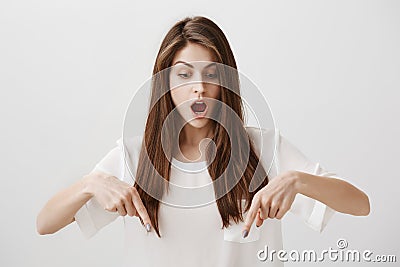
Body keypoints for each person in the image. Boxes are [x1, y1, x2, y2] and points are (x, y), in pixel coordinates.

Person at [36, 16, 370, 267]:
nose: (199, 87)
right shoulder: (133, 156)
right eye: (184, 74)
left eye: (211, 74)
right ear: (165, 83)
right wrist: (90, 184)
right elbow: (44, 224)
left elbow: (360, 204)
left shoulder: (264, 149)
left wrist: (298, 181)